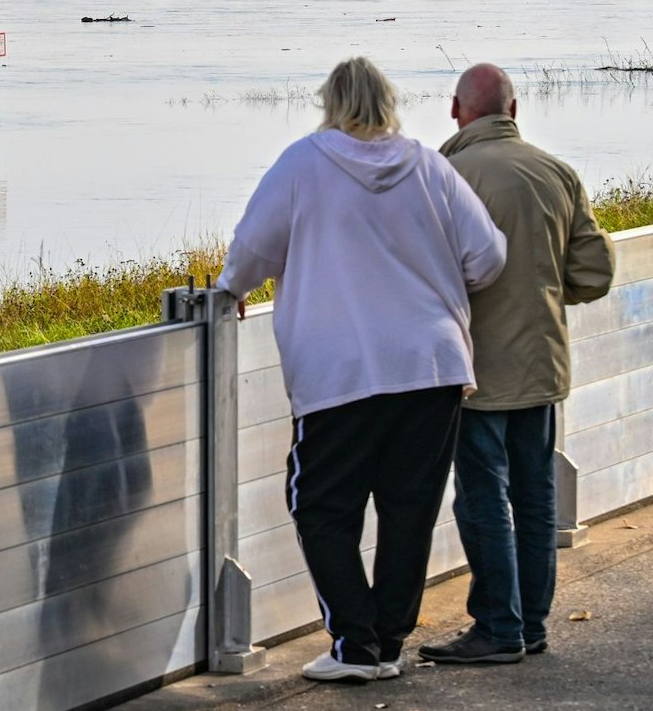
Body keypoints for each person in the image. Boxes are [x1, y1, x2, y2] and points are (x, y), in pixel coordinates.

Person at [219, 57, 506, 685]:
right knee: (409, 510)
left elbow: (253, 247)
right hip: (431, 366)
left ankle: (354, 644)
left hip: (341, 370)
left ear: (330, 101)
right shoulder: (430, 166)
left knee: (320, 505)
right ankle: (388, 644)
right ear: (389, 101)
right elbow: (487, 256)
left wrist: (230, 288)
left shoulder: (304, 162)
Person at [416, 63, 616, 665]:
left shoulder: (444, 175)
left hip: (474, 372)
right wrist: (544, 294)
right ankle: (531, 625)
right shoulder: (557, 173)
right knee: (534, 497)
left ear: (456, 111)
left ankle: (497, 628)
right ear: (515, 109)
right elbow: (595, 273)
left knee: (482, 498)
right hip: (543, 366)